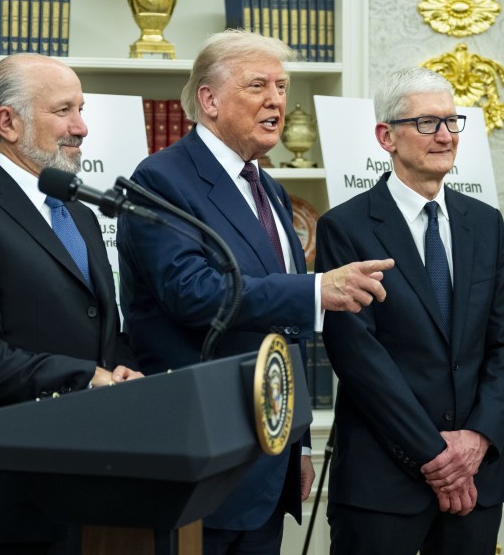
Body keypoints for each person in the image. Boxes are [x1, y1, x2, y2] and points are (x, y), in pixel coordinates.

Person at [116, 30, 393, 555]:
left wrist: (300, 441)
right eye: (258, 86)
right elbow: (193, 294)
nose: (276, 101)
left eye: (283, 88)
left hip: (271, 451)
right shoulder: (160, 180)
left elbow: (281, 335)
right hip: (201, 449)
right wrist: (315, 289)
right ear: (209, 99)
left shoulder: (268, 186)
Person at [0, 53, 142, 555]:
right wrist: (85, 376)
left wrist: (122, 367)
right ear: (8, 123)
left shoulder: (80, 213)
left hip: (94, 487)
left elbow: (101, 326)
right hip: (6, 500)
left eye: (81, 110)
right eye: (64, 110)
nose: (81, 127)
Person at [314, 67, 504, 555]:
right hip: (383, 484)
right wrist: (435, 456)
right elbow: (358, 358)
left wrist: (475, 440)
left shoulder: (485, 224)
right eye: (428, 123)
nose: (446, 135)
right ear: (386, 136)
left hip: (478, 477)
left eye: (452, 121)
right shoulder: (345, 228)